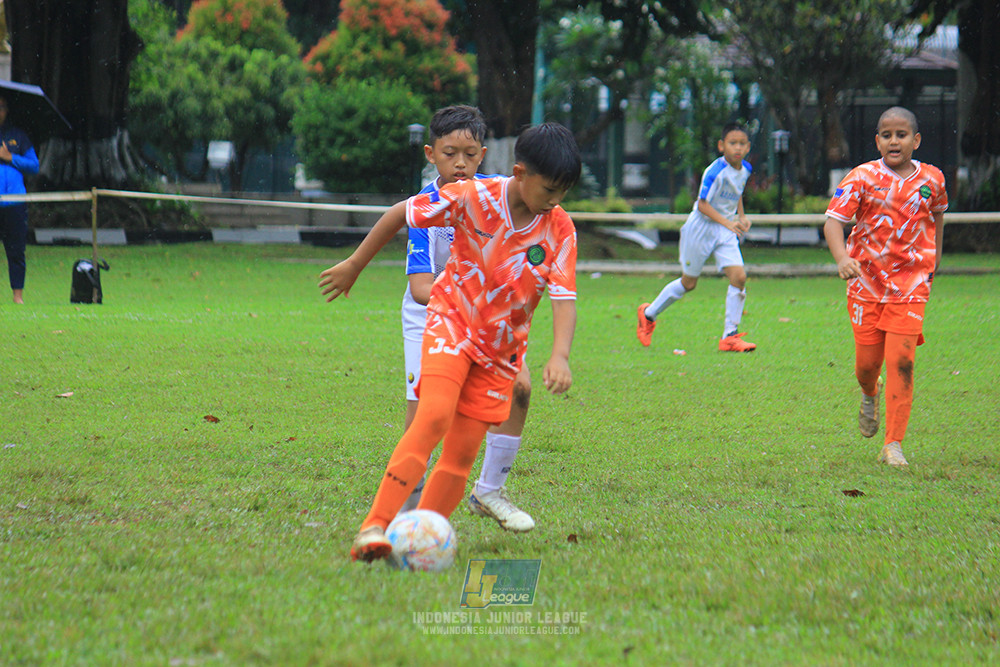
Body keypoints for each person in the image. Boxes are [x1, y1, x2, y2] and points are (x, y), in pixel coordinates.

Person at [319, 123, 581, 562]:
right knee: (433, 416)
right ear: (520, 172)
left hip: (499, 355)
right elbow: (400, 214)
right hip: (451, 324)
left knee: (460, 456)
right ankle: (373, 527)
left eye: (563, 193)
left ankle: (415, 540)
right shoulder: (473, 196)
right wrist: (354, 264)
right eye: (550, 190)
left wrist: (560, 355)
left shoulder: (559, 229)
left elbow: (564, 297)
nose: (556, 201)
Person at [400, 105, 536, 532]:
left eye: (470, 154)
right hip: (432, 315)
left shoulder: (499, 193)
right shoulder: (425, 207)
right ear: (430, 153)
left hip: (487, 316)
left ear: (483, 156)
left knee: (520, 388)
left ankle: (488, 491)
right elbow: (422, 289)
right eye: (449, 153)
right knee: (426, 416)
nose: (460, 163)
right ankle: (408, 512)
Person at [823, 106, 947, 467]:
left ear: (916, 140)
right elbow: (833, 222)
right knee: (867, 365)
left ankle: (893, 444)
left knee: (903, 361)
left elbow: (938, 214)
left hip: (911, 286)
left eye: (902, 134)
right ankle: (868, 391)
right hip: (866, 287)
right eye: (888, 135)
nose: (895, 141)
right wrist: (843, 259)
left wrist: (935, 259)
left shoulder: (932, 179)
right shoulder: (861, 177)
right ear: (878, 141)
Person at [636, 122, 757, 352]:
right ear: (722, 146)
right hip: (701, 228)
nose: (737, 148)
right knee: (688, 283)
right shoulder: (714, 171)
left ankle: (729, 336)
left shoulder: (746, 169)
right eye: (733, 143)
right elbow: (702, 205)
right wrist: (729, 222)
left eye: (742, 143)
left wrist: (741, 216)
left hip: (725, 229)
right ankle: (649, 314)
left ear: (748, 147)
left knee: (739, 278)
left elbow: (737, 192)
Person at [0, 95, 40, 304]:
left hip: (15, 203)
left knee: (16, 251)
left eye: (2, 107)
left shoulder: (18, 136)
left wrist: (10, 158)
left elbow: (34, 166)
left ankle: (18, 296)